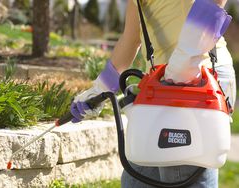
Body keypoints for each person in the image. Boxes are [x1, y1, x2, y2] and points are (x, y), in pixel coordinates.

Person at [71, 0, 236, 187]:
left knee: (182, 173)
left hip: (199, 77)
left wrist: (187, 57)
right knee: (138, 176)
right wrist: (100, 88)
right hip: (161, 83)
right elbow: (131, 39)